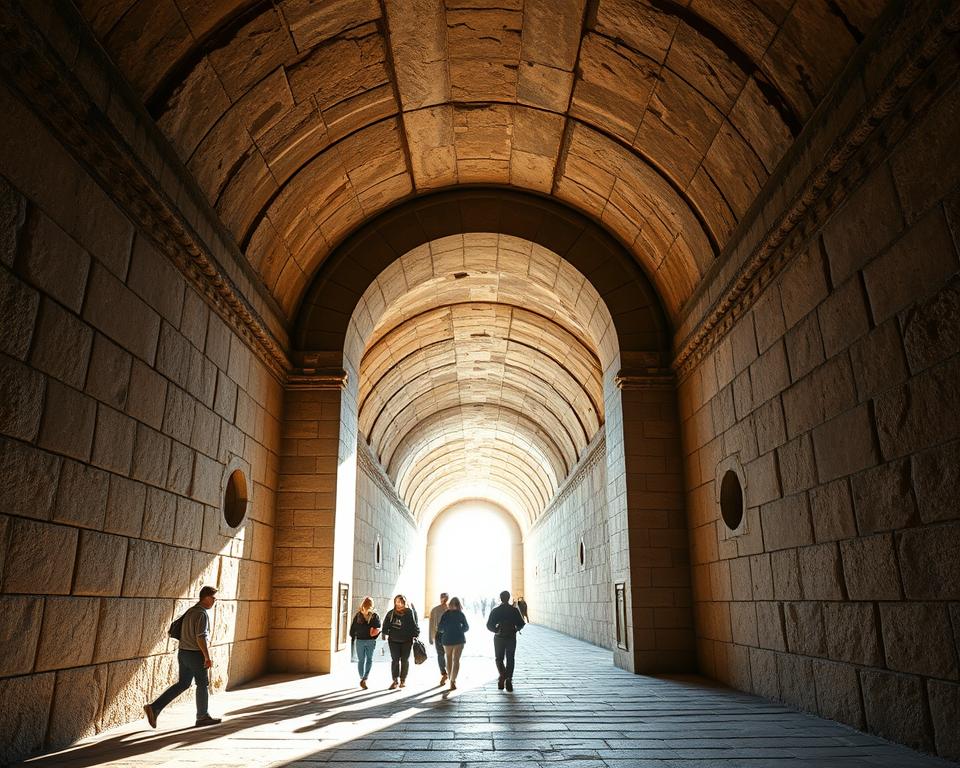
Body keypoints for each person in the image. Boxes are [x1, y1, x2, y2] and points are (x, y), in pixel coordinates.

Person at [144, 586, 221, 728]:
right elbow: (201, 637)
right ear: (207, 597)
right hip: (195, 654)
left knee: (183, 683)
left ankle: (155, 707)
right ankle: (202, 716)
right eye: (214, 598)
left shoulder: (191, 611)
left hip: (183, 653)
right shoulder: (202, 614)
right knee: (202, 684)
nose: (215, 601)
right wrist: (207, 657)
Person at [486, 589, 525, 692]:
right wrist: (516, 629)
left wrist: (496, 630)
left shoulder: (496, 610)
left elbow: (489, 625)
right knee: (510, 658)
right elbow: (522, 623)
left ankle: (502, 676)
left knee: (499, 659)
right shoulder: (514, 610)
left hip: (499, 638)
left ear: (500, 598)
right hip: (511, 637)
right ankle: (508, 679)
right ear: (509, 598)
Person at [381, 593, 420, 689]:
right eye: (397, 601)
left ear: (404, 602)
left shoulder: (409, 612)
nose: (399, 604)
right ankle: (395, 680)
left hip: (407, 641)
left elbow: (413, 624)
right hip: (393, 640)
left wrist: (416, 634)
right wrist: (384, 633)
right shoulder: (391, 613)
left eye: (401, 602)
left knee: (404, 660)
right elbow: (385, 625)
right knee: (395, 660)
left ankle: (403, 680)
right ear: (395, 602)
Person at [349, 596, 381, 689]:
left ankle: (362, 678)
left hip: (360, 640)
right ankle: (364, 678)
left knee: (361, 660)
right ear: (372, 605)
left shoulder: (358, 615)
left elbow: (353, 628)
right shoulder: (374, 615)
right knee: (369, 659)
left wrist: (353, 637)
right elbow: (378, 627)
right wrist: (374, 636)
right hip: (370, 641)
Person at [437, 596, 469, 690]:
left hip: (447, 640)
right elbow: (466, 627)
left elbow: (440, 628)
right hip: (459, 640)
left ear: (450, 604)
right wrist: (459, 630)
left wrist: (447, 630)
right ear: (459, 605)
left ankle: (451, 678)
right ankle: (453, 681)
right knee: (456, 660)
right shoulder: (460, 614)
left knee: (449, 659)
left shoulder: (445, 614)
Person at [428, 592, 449, 685]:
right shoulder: (435, 610)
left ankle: (447, 673)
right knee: (441, 655)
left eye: (445, 597)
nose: (443, 599)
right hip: (439, 635)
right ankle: (444, 673)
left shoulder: (451, 609)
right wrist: (430, 637)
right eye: (442, 597)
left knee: (448, 655)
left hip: (449, 635)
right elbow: (431, 624)